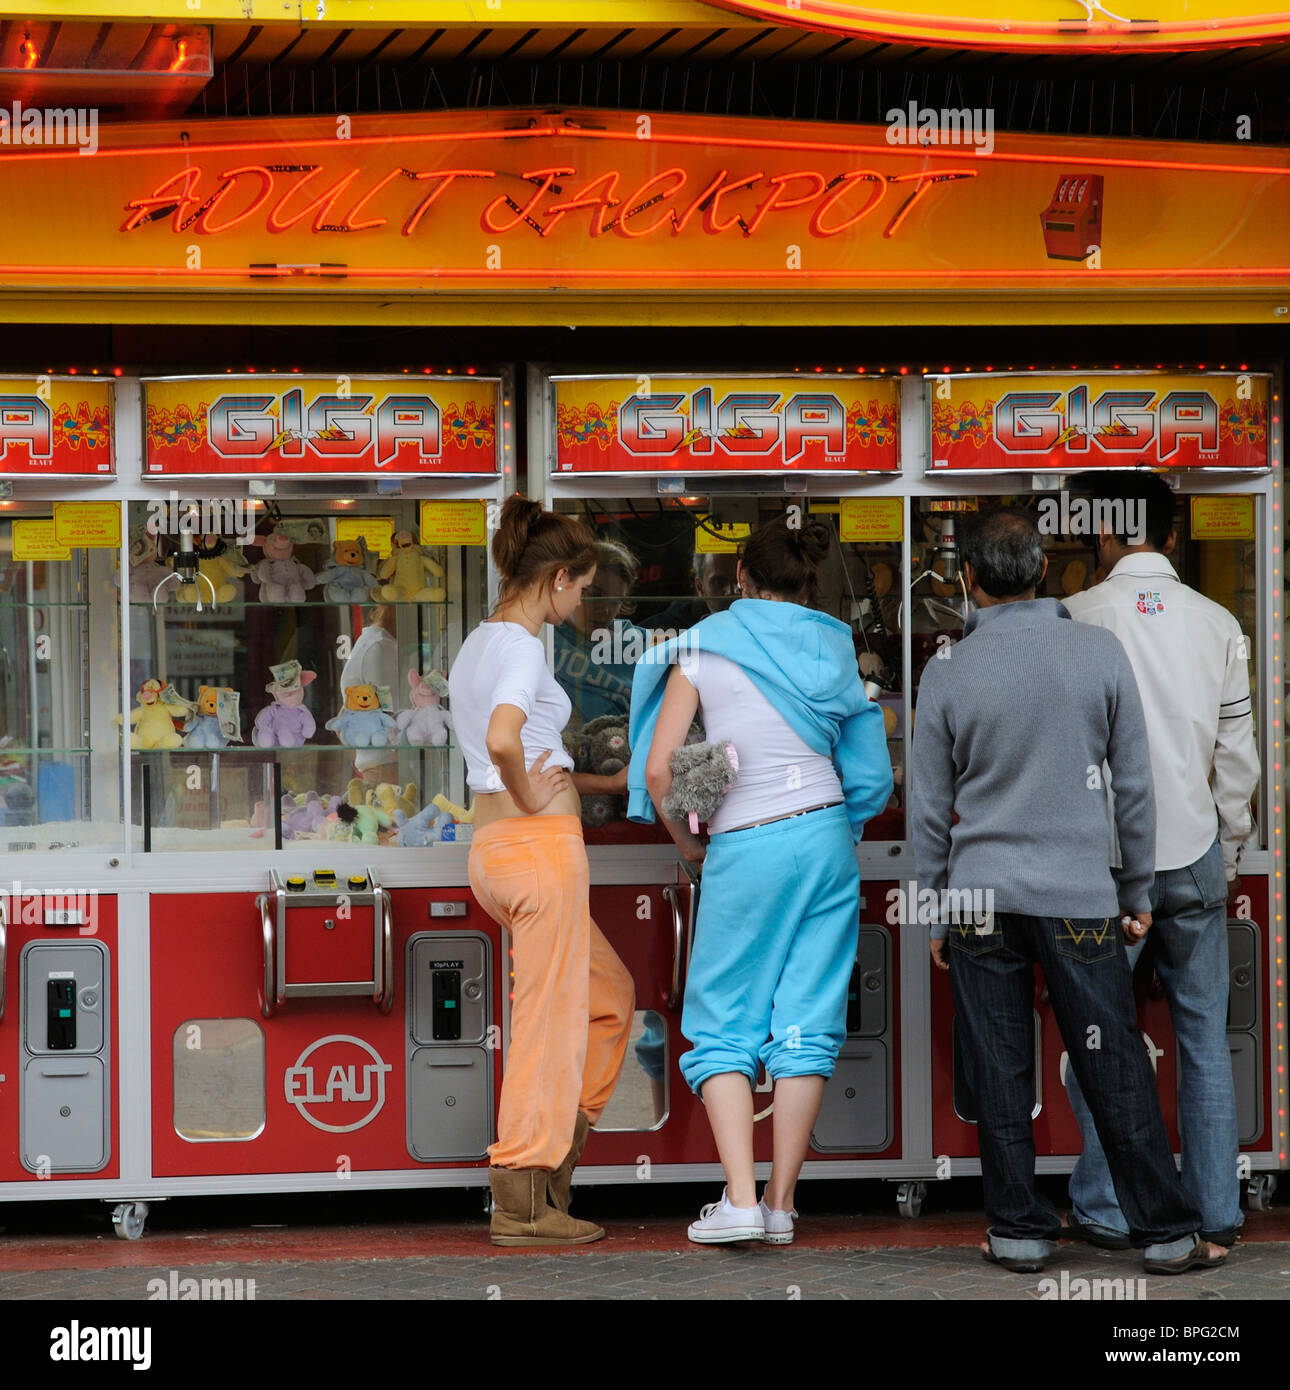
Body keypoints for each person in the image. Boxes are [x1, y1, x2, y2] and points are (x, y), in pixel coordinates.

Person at [910, 508, 1224, 1276]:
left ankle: (1018, 1231)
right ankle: (1168, 1236)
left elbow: (926, 809)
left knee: (1000, 1066)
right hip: (1081, 895)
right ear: (1046, 571)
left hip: (981, 899)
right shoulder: (1097, 651)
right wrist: (1138, 888)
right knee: (1113, 1061)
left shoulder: (947, 669)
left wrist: (932, 910)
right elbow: (1134, 789)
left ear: (968, 580)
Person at [628, 514, 892, 1244]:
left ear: (738, 577)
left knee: (723, 1022)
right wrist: (842, 826)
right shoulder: (838, 648)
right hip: (826, 835)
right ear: (805, 583)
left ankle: (738, 1200)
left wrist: (690, 846)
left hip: (746, 843)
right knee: (806, 1023)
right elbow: (871, 776)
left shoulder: (703, 648)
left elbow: (658, 771)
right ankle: (780, 1206)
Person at [1062, 470, 1259, 1250]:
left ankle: (1110, 1207)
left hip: (1103, 869)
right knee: (1204, 1041)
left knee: (1098, 1038)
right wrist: (1232, 842)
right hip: (1196, 854)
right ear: (1171, 536)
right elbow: (1236, 758)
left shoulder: (1076, 618)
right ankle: (1216, 1210)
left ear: (1104, 535)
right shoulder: (1217, 623)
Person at [449, 495, 636, 1246]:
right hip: (537, 852)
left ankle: (551, 1173)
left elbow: (520, 752)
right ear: (558, 577)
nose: (584, 600)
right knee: (547, 1027)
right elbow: (505, 743)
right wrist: (534, 795)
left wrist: (594, 788)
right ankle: (523, 1199)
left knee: (608, 999)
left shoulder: (482, 641)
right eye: (583, 586)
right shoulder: (526, 646)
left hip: (498, 853)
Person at [552, 538, 645, 723]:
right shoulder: (544, 640)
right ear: (568, 585)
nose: (604, 610)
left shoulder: (640, 645)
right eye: (594, 595)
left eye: (615, 600)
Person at [336, 605, 399, 787]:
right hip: (385, 761)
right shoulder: (379, 646)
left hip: (376, 759)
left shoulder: (370, 642)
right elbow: (388, 706)